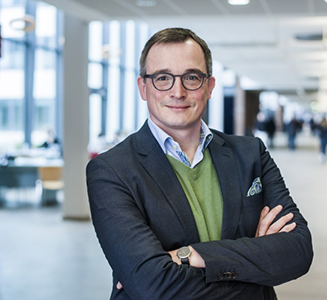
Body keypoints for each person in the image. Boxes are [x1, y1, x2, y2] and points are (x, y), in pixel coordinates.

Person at [86, 27, 313, 300]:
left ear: (209, 86)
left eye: (191, 77)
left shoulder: (251, 154)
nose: (177, 92)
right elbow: (153, 286)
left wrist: (189, 255)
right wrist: (255, 266)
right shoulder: (112, 171)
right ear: (143, 87)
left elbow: (298, 251)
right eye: (163, 78)